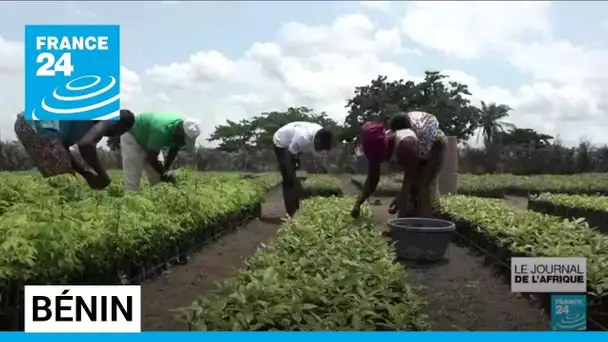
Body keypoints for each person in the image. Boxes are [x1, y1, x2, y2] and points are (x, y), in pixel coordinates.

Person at [351, 111, 447, 219]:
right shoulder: (375, 148)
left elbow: (411, 173)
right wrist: (358, 203)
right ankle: (406, 223)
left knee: (423, 185)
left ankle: (429, 224)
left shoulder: (406, 144)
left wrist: (401, 197)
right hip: (417, 146)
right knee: (411, 191)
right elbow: (373, 178)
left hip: (434, 144)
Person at [14, 109, 135, 189]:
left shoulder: (88, 125)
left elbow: (63, 150)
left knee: (61, 184)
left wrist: (86, 174)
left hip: (27, 123)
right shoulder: (109, 119)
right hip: (37, 124)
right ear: (122, 127)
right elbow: (86, 145)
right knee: (66, 187)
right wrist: (103, 176)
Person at [121, 111, 201, 192]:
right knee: (132, 181)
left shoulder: (179, 134)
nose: (182, 143)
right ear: (180, 130)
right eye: (183, 140)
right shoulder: (161, 129)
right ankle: (131, 199)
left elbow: (174, 150)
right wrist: (163, 174)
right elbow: (151, 158)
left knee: (158, 181)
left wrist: (166, 171)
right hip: (133, 138)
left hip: (150, 141)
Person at [273, 121, 333, 217]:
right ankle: (291, 213)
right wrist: (293, 179)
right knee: (288, 178)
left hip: (294, 142)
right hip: (281, 142)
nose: (319, 151)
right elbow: (288, 156)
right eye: (319, 148)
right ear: (316, 140)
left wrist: (323, 168)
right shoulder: (302, 138)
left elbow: (316, 156)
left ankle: (296, 207)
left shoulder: (321, 134)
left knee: (294, 172)